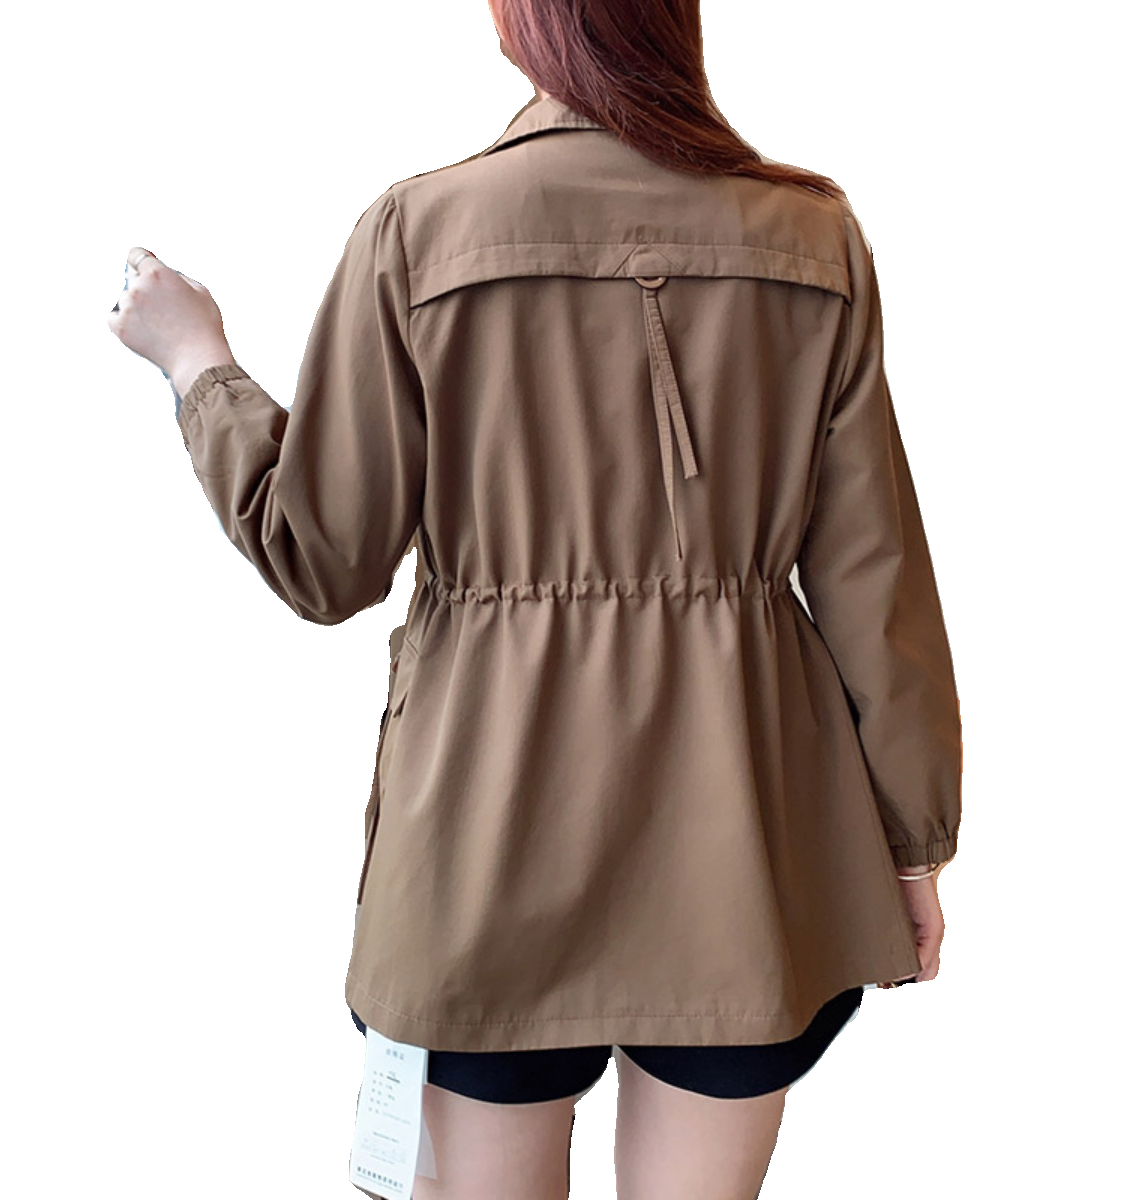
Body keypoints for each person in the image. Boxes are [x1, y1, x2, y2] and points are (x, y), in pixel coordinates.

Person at [108, 3, 962, 1197]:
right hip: (750, 826)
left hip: (484, 829)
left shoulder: (419, 230)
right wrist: (914, 843)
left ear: (524, 24)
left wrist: (198, 362)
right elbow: (875, 574)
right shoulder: (811, 234)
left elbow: (322, 558)